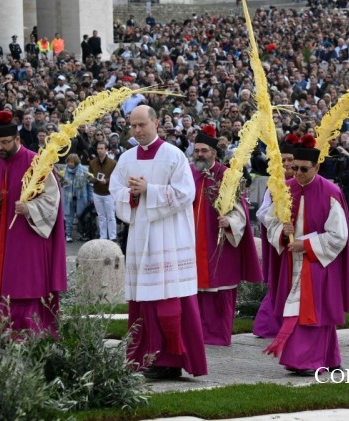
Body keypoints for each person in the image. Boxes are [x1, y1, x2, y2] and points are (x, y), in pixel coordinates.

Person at [110, 105, 207, 380]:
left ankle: (171, 359)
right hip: (141, 237)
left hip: (169, 236)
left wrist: (148, 191)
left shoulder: (173, 155)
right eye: (133, 126)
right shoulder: (127, 158)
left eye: (142, 125)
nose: (138, 130)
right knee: (144, 300)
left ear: (155, 124)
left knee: (169, 299)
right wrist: (130, 195)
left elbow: (185, 193)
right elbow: (115, 190)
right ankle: (144, 357)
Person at [261, 134, 349, 375]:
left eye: (304, 169)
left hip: (318, 262)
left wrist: (306, 245)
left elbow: (339, 236)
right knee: (303, 308)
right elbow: (269, 222)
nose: (298, 173)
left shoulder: (330, 192)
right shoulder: (285, 190)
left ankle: (305, 360)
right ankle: (329, 358)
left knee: (312, 310)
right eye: (294, 168)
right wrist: (282, 232)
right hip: (292, 261)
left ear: (317, 167)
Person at [0, 110, 67, 334]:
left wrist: (30, 208)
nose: (0, 148)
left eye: (5, 142)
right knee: (5, 286)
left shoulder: (37, 163)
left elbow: (52, 198)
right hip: (1, 234)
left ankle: (31, 331)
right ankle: (7, 330)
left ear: (17, 139)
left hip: (28, 235)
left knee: (26, 285)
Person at [190, 125, 262, 346]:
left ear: (214, 152)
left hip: (219, 241)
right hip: (192, 241)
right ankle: (196, 332)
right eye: (197, 150)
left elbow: (241, 211)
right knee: (196, 290)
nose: (200, 154)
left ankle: (217, 336)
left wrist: (229, 221)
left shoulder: (226, 175)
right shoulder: (189, 173)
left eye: (204, 150)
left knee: (218, 290)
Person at [253, 135, 298, 339]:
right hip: (280, 243)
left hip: (302, 243)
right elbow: (262, 214)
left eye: (291, 160)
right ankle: (272, 323)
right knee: (280, 284)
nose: (287, 164)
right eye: (284, 160)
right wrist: (281, 226)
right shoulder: (274, 185)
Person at [89, 141, 117, 241]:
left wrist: (106, 180)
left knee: (110, 216)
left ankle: (113, 237)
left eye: (102, 148)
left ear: (106, 150)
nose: (100, 150)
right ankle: (103, 236)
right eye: (98, 148)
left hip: (109, 192)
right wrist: (94, 179)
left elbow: (116, 177)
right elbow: (89, 176)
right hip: (97, 192)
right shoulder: (92, 162)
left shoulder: (113, 163)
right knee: (101, 216)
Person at [60, 153, 93, 242]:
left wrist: (91, 198)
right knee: (68, 217)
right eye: (69, 162)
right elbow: (61, 185)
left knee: (82, 216)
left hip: (81, 197)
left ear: (76, 162)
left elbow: (89, 185)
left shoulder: (84, 170)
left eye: (72, 162)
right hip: (68, 198)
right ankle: (68, 235)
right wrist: (63, 182)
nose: (70, 164)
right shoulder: (64, 171)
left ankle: (84, 234)